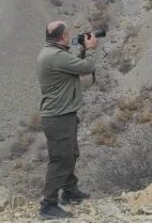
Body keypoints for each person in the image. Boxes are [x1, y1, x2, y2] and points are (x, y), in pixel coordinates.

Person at [36, 21, 99, 219]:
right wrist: (90, 49)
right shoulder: (55, 56)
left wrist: (81, 50)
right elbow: (87, 67)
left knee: (70, 154)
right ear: (62, 37)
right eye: (68, 35)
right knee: (60, 160)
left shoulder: (52, 53)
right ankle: (48, 205)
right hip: (58, 117)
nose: (70, 37)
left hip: (63, 114)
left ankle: (70, 191)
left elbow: (73, 67)